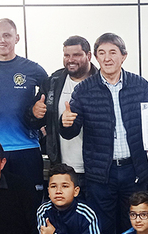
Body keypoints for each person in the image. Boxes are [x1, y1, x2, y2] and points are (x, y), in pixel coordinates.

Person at [60, 32, 148, 234]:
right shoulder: (84, 89)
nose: (108, 58)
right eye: (102, 53)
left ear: (124, 56)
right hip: (102, 175)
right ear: (95, 57)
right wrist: (66, 122)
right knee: (106, 232)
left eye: (113, 52)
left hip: (135, 171)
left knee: (136, 230)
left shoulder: (139, 85)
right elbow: (70, 131)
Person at [0, 18, 49, 203]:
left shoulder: (33, 69)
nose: (2, 40)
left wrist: (42, 121)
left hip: (28, 149)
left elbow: (48, 100)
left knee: (31, 204)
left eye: (7, 35)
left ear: (17, 38)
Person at [26, 35, 97, 182]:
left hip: (96, 168)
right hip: (61, 167)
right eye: (66, 55)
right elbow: (32, 121)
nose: (71, 60)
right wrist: (34, 112)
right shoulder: (52, 82)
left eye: (76, 55)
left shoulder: (101, 81)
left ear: (88, 56)